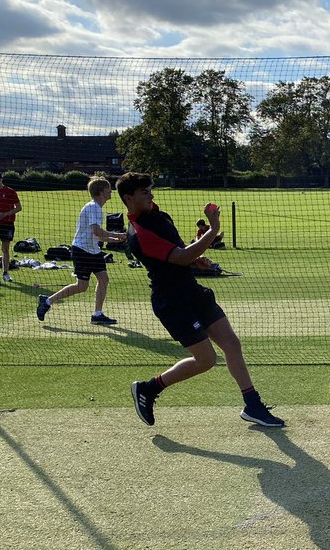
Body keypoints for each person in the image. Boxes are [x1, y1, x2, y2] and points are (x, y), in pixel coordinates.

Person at [116, 172, 283, 428]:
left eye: (151, 190)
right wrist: (213, 231)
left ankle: (253, 405)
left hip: (192, 291)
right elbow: (180, 257)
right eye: (145, 192)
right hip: (172, 303)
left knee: (232, 344)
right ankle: (149, 389)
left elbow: (182, 251)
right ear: (129, 198)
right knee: (206, 360)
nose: (151, 195)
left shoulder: (160, 216)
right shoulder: (140, 233)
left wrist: (197, 260)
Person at [36, 177, 127, 325]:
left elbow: (96, 234)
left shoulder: (96, 207)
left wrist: (115, 240)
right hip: (82, 250)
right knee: (81, 286)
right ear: (101, 192)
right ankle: (46, 301)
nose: (111, 191)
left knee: (103, 279)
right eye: (109, 189)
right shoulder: (94, 207)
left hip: (93, 250)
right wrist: (119, 235)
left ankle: (97, 314)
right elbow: (97, 231)